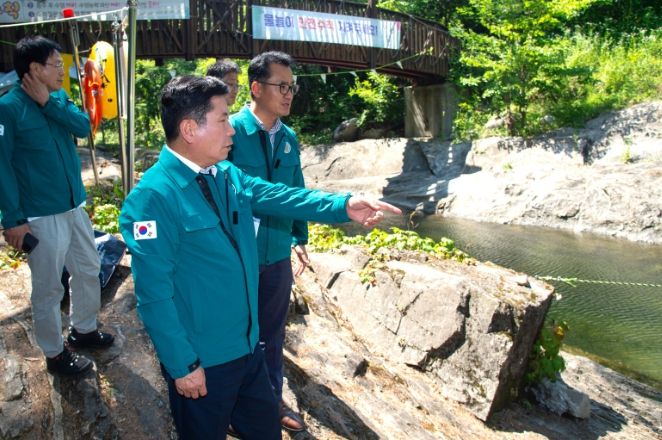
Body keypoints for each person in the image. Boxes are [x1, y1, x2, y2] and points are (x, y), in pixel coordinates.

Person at [119, 75, 400, 439]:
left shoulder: (224, 174)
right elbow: (153, 294)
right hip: (204, 361)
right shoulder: (152, 198)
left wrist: (344, 205)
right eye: (223, 120)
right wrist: (182, 365)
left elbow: (283, 196)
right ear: (189, 129)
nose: (231, 131)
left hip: (249, 350)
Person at [0, 36, 114, 376]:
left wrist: (49, 103)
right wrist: (12, 219)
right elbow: (2, 167)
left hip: (73, 206)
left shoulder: (59, 97)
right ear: (35, 68)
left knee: (88, 267)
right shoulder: (9, 107)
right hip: (39, 213)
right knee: (49, 286)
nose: (62, 70)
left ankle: (84, 329)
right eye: (55, 64)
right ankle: (54, 353)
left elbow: (83, 125)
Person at [228, 50, 310, 431]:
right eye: (281, 86)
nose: (288, 94)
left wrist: (299, 238)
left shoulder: (289, 138)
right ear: (256, 88)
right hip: (237, 256)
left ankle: (272, 401)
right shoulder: (229, 132)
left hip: (276, 253)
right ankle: (233, 408)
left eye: (291, 87)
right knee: (235, 335)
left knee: (273, 335)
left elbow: (297, 191)